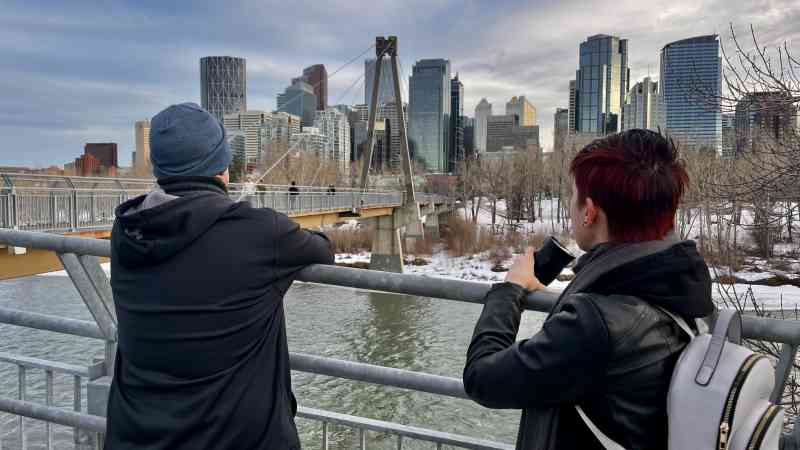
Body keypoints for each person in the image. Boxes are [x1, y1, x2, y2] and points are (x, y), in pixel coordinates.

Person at [463, 129, 714, 450]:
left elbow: (482, 379)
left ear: (590, 211)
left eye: (572, 195)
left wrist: (509, 291)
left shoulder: (595, 324)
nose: (570, 206)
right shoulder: (684, 287)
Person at [107, 103, 334, 450]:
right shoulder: (261, 233)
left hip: (138, 436)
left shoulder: (127, 229)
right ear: (223, 169)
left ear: (159, 168)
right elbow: (323, 250)